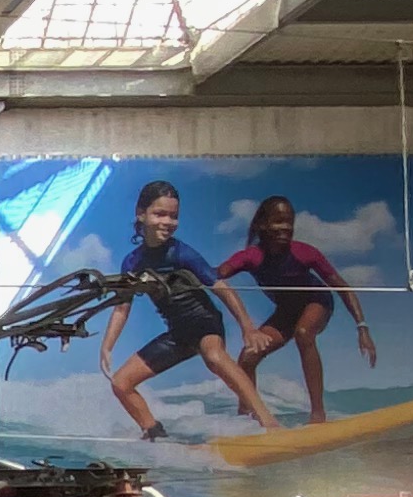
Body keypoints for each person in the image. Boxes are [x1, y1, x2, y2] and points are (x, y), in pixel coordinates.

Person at [96, 178, 278, 443]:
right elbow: (122, 308)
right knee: (121, 383)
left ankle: (269, 423)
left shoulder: (182, 253)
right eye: (160, 214)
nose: (168, 222)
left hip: (204, 322)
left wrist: (247, 327)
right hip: (178, 334)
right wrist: (107, 346)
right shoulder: (132, 263)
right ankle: (155, 434)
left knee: (214, 357)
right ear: (141, 214)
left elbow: (221, 288)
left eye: (173, 216)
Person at [218, 194, 378, 421]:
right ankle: (247, 417)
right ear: (263, 225)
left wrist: (362, 327)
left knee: (303, 333)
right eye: (278, 221)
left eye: (289, 222)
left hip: (317, 302)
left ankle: (318, 415)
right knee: (248, 356)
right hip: (287, 313)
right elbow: (217, 273)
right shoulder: (251, 257)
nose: (285, 227)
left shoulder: (305, 252)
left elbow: (342, 287)